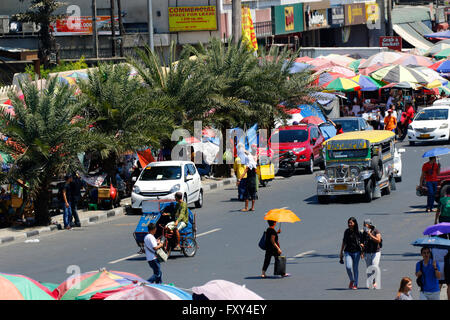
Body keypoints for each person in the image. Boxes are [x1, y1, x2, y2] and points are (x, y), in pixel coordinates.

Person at [340, 217, 363, 290]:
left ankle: (355, 284)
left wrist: (362, 252)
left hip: (356, 252)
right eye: (348, 223)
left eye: (351, 223)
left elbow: (362, 243)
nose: (349, 224)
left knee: (355, 268)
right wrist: (341, 252)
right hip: (348, 252)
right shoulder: (346, 231)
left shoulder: (359, 233)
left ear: (354, 223)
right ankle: (351, 280)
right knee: (348, 267)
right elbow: (344, 242)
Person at [361, 219, 382, 289]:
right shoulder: (364, 232)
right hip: (367, 252)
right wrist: (362, 251)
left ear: (369, 225)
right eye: (363, 225)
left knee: (374, 266)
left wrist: (370, 235)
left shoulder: (376, 231)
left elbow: (378, 240)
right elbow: (362, 242)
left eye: (365, 224)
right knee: (369, 268)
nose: (364, 226)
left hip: (376, 252)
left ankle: (374, 281)